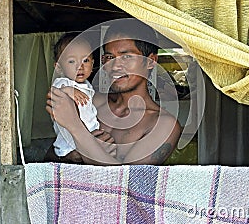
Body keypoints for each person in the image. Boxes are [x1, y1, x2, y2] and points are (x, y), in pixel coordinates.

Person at [47, 19, 181, 165]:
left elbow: (127, 184)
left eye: (126, 56)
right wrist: (71, 155)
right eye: (110, 57)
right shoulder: (90, 101)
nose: (115, 66)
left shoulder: (163, 125)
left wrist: (76, 128)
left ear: (150, 61)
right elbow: (46, 159)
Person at [44, 33, 116, 163]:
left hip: (87, 139)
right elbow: (56, 90)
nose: (80, 66)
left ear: (93, 63)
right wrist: (69, 90)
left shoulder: (87, 86)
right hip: (69, 143)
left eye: (86, 60)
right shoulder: (64, 83)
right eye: (72, 61)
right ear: (59, 67)